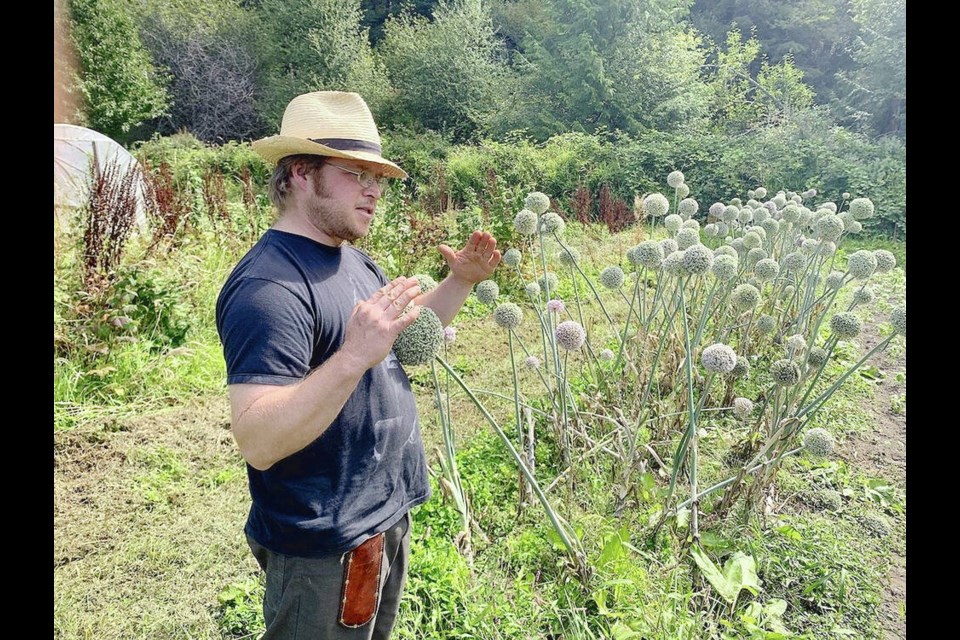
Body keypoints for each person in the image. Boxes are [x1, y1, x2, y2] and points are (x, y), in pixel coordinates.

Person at [215, 91, 501, 638]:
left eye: (380, 178)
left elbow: (396, 337)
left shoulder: (351, 257)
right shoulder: (269, 287)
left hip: (380, 514)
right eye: (356, 173)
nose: (374, 190)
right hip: (325, 542)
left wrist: (459, 281)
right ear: (300, 172)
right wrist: (352, 356)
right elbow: (259, 439)